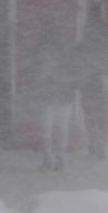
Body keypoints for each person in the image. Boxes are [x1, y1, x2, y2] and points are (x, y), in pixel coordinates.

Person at [34, 27, 78, 171]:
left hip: (48, 95)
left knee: (46, 128)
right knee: (61, 128)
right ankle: (61, 159)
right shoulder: (67, 54)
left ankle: (48, 159)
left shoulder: (42, 53)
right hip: (65, 96)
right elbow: (73, 76)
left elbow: (40, 76)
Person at [78, 17, 108, 160]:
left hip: (88, 85)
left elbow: (78, 65)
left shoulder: (82, 47)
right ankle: (100, 147)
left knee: (90, 118)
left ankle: (93, 144)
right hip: (100, 85)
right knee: (101, 119)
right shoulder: (104, 47)